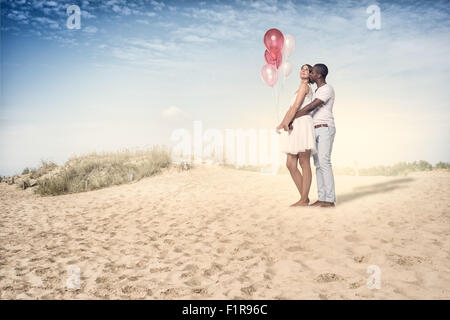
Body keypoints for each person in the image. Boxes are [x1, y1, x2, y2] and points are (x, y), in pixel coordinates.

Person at [287, 63, 336, 208]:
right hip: (314, 129)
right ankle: (322, 197)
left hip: (325, 128)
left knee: (324, 162)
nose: (310, 74)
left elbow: (311, 107)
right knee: (318, 165)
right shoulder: (316, 90)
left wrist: (292, 117)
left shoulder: (327, 89)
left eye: (312, 72)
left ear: (319, 75)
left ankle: (330, 198)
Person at [276, 64, 316, 207]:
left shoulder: (305, 87)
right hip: (295, 123)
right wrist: (282, 124)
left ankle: (303, 199)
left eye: (307, 70)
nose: (304, 71)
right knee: (290, 164)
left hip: (302, 124)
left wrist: (287, 123)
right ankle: (304, 198)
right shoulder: (298, 89)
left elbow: (296, 107)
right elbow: (290, 108)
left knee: (304, 162)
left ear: (311, 75)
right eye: (302, 69)